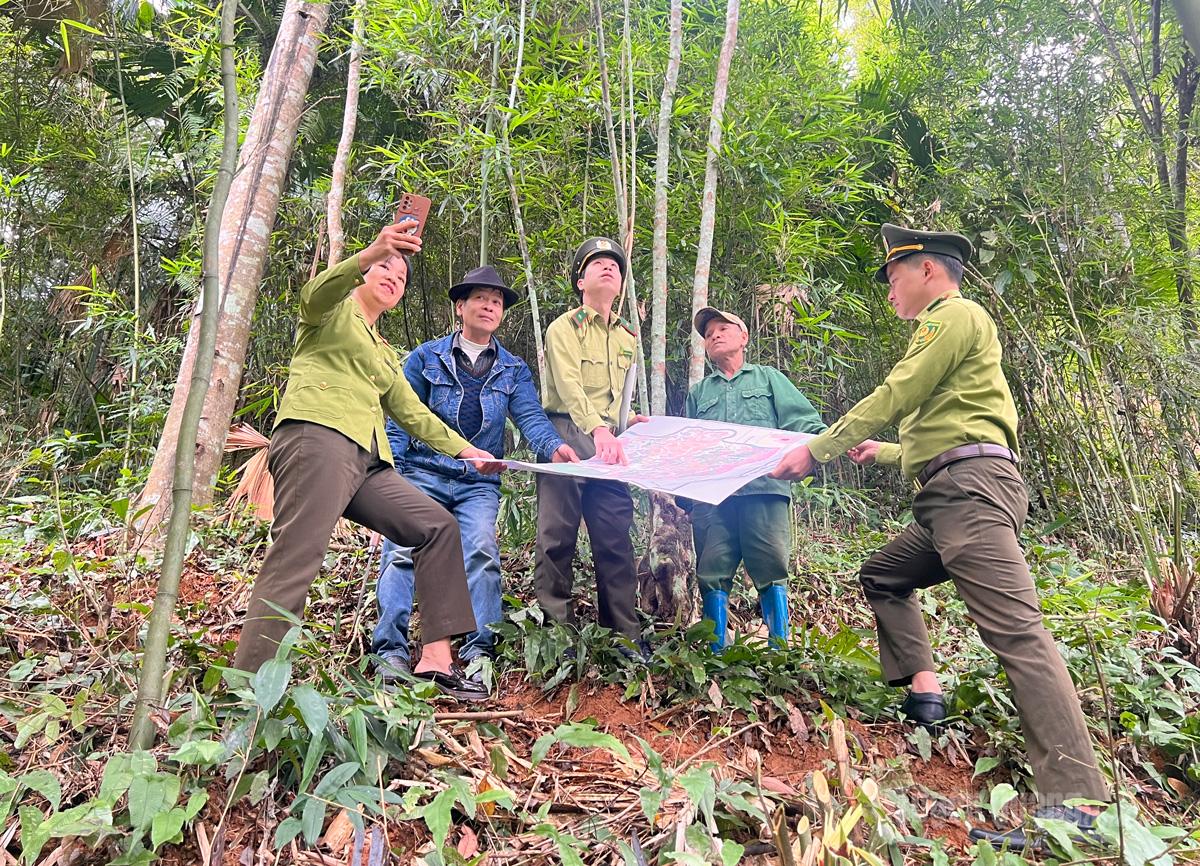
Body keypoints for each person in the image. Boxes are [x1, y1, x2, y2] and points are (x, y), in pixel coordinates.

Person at [769, 224, 1108, 847]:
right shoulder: (955, 330)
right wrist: (883, 452)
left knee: (1018, 634)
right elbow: (947, 431)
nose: (890, 291)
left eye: (894, 277)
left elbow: (900, 392)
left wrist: (818, 449)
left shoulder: (953, 314)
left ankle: (1078, 807)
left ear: (927, 270)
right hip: (950, 494)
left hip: (969, 494)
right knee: (883, 574)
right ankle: (925, 692)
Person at [232, 220, 502, 702]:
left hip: (369, 461)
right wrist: (371, 252)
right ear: (364, 269)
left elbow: (412, 412)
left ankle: (437, 660)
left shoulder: (384, 352)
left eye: (401, 277)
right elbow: (313, 294)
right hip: (318, 439)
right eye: (385, 268)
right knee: (297, 557)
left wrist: (467, 450)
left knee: (436, 527)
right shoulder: (330, 313)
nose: (393, 278)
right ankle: (249, 692)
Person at [373, 265, 579, 686]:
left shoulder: (512, 368)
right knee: (399, 551)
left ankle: (478, 653)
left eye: (497, 301)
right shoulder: (425, 357)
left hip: (477, 484)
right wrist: (389, 478)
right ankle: (390, 651)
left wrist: (554, 448)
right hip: (423, 472)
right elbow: (401, 420)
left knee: (481, 551)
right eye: (481, 298)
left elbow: (530, 417)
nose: (489, 306)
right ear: (460, 307)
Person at [686, 307, 827, 651]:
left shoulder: (767, 379)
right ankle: (715, 650)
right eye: (708, 333)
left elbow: (803, 421)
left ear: (744, 337)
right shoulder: (699, 392)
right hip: (714, 496)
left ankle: (780, 648)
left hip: (764, 489)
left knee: (771, 565)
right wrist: (685, 497)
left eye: (723, 328)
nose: (714, 335)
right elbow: (686, 444)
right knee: (712, 569)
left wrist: (828, 443)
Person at [535, 237, 649, 659]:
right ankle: (558, 636)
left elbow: (617, 395)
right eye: (597, 263)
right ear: (580, 281)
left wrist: (627, 420)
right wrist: (599, 429)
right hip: (566, 434)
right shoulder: (563, 327)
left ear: (620, 283)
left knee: (615, 536)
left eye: (614, 265)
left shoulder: (627, 336)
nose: (608, 268)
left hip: (608, 442)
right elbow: (568, 386)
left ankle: (624, 635)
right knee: (557, 537)